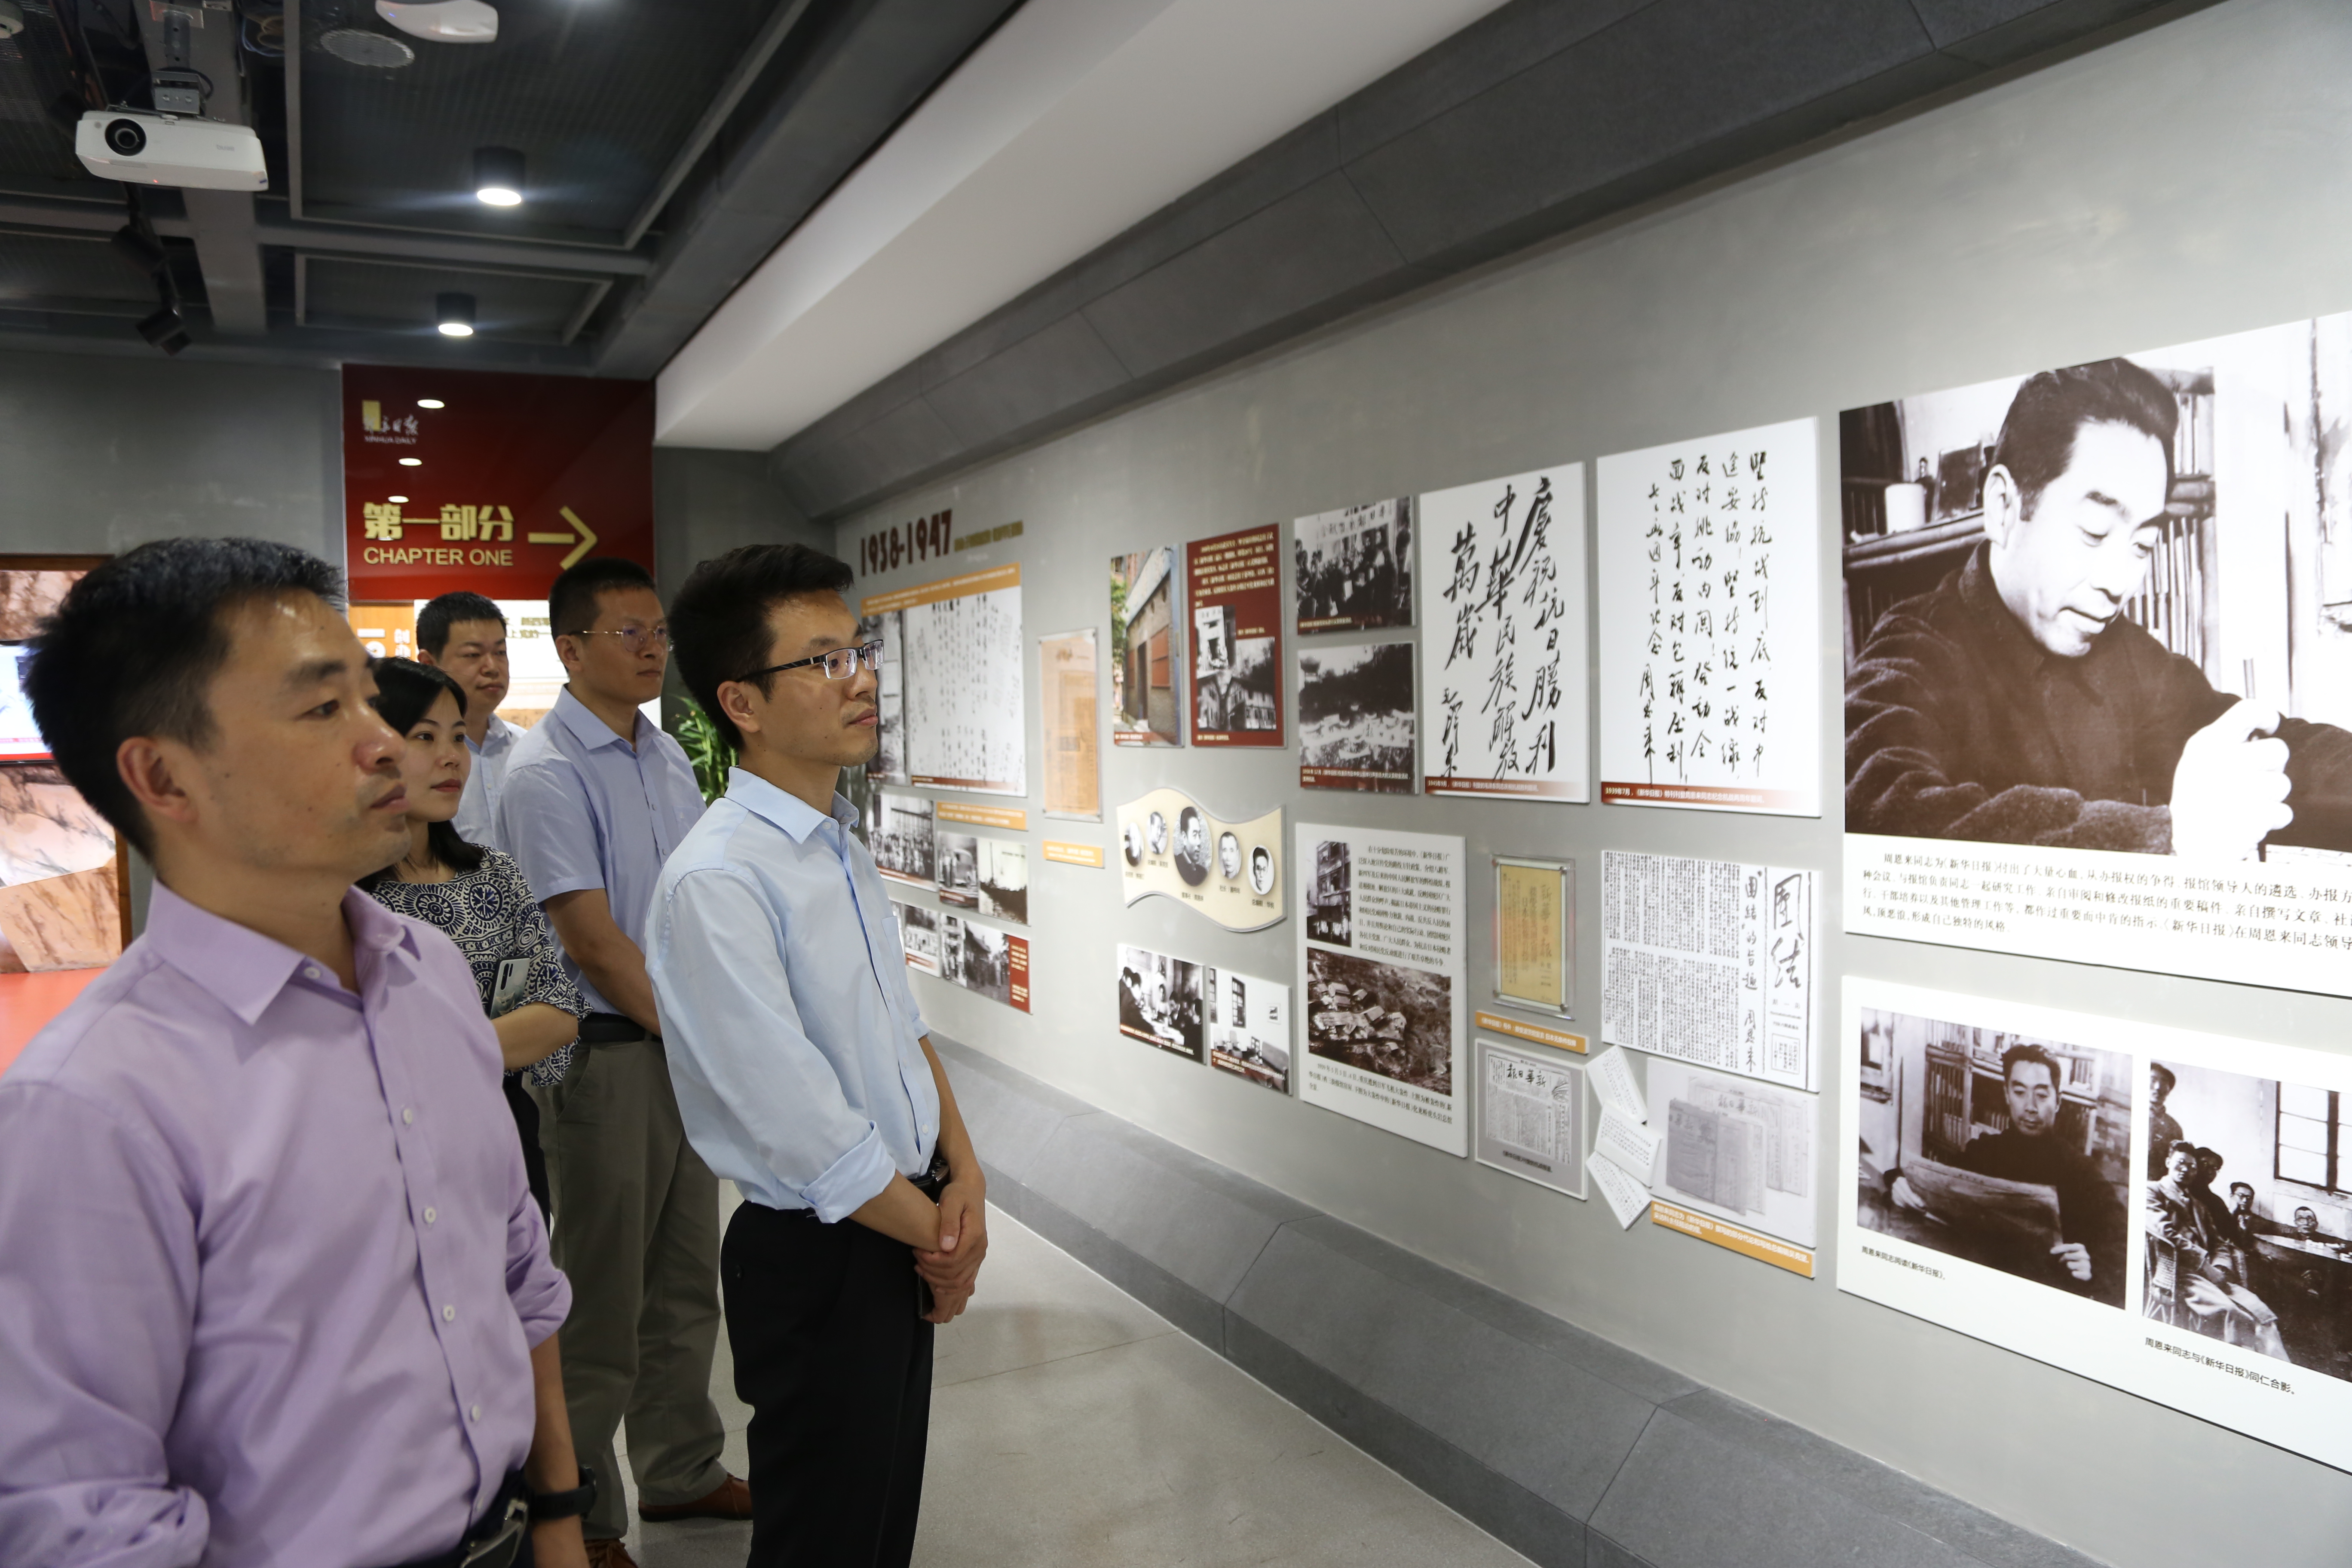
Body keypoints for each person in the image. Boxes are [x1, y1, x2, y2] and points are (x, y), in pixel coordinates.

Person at [0, 539, 590, 1568]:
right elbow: (84, 1507)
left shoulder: (429, 978)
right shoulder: (93, 1103)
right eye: (324, 709)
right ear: (163, 776)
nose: (384, 745)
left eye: (368, 698)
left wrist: (558, 1518)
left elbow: (517, 1278)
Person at [653, 543, 989, 1568]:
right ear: (740, 703)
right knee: (824, 1541)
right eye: (823, 661)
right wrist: (941, 1240)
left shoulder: (839, 844)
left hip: (900, 1223)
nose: (860, 681)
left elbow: (901, 1029)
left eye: (858, 652)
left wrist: (966, 1178)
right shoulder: (716, 881)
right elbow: (798, 1121)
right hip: (822, 1252)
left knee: (879, 1530)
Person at [1848, 358, 2352, 856]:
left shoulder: (2127, 656)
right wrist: (2168, 835)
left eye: (2142, 545)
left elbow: (2259, 745)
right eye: (2094, 532)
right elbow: (1881, 808)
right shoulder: (1913, 649)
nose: (2119, 583)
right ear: (2003, 507)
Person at [496, 557, 744, 1562]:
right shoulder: (546, 771)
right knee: (600, 1297)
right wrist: (704, 1039)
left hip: (676, 1046)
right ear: (569, 648)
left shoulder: (666, 754)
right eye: (628, 633)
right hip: (605, 1057)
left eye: (659, 633)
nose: (652, 650)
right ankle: (585, 1512)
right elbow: (594, 943)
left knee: (684, 1279)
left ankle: (680, 1469)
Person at [360, 656, 586, 1219]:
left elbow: (559, 1012)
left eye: (459, 738)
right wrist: (497, 1042)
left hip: (504, 1132)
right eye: (425, 736)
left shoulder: (494, 874)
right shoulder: (344, 896)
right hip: (388, 1149)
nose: (451, 757)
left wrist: (442, 1050)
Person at [1892, 1043, 2125, 1303]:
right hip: (1976, 1291)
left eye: (2042, 1095)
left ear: (2058, 1101)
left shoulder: (2081, 1171)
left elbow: (2121, 1243)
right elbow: (1934, 1181)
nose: (2030, 1107)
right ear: (2007, 1094)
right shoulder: (1983, 1151)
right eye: (2019, 1092)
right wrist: (1899, 1183)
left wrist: (2094, 1267)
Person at [2147, 1141, 2286, 1357]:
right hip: (2178, 1273)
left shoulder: (2199, 1206)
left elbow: (2219, 1242)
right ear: (2168, 1162)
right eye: (2181, 1163)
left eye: (2192, 1167)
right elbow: (2167, 1233)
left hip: (2210, 1274)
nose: (2186, 1170)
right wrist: (2205, 1266)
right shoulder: (2152, 1191)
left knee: (2264, 1316)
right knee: (2232, 1313)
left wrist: (2221, 1267)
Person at [416, 590, 519, 850]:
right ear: (429, 664)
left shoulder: (526, 748)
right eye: (473, 655)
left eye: (500, 652)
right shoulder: (410, 758)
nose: (492, 667)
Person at [2146, 1063, 2185, 1179]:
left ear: (2169, 1091)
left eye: (2164, 1083)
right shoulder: (2126, 1112)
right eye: (2153, 1080)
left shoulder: (2174, 1127)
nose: (2158, 1087)